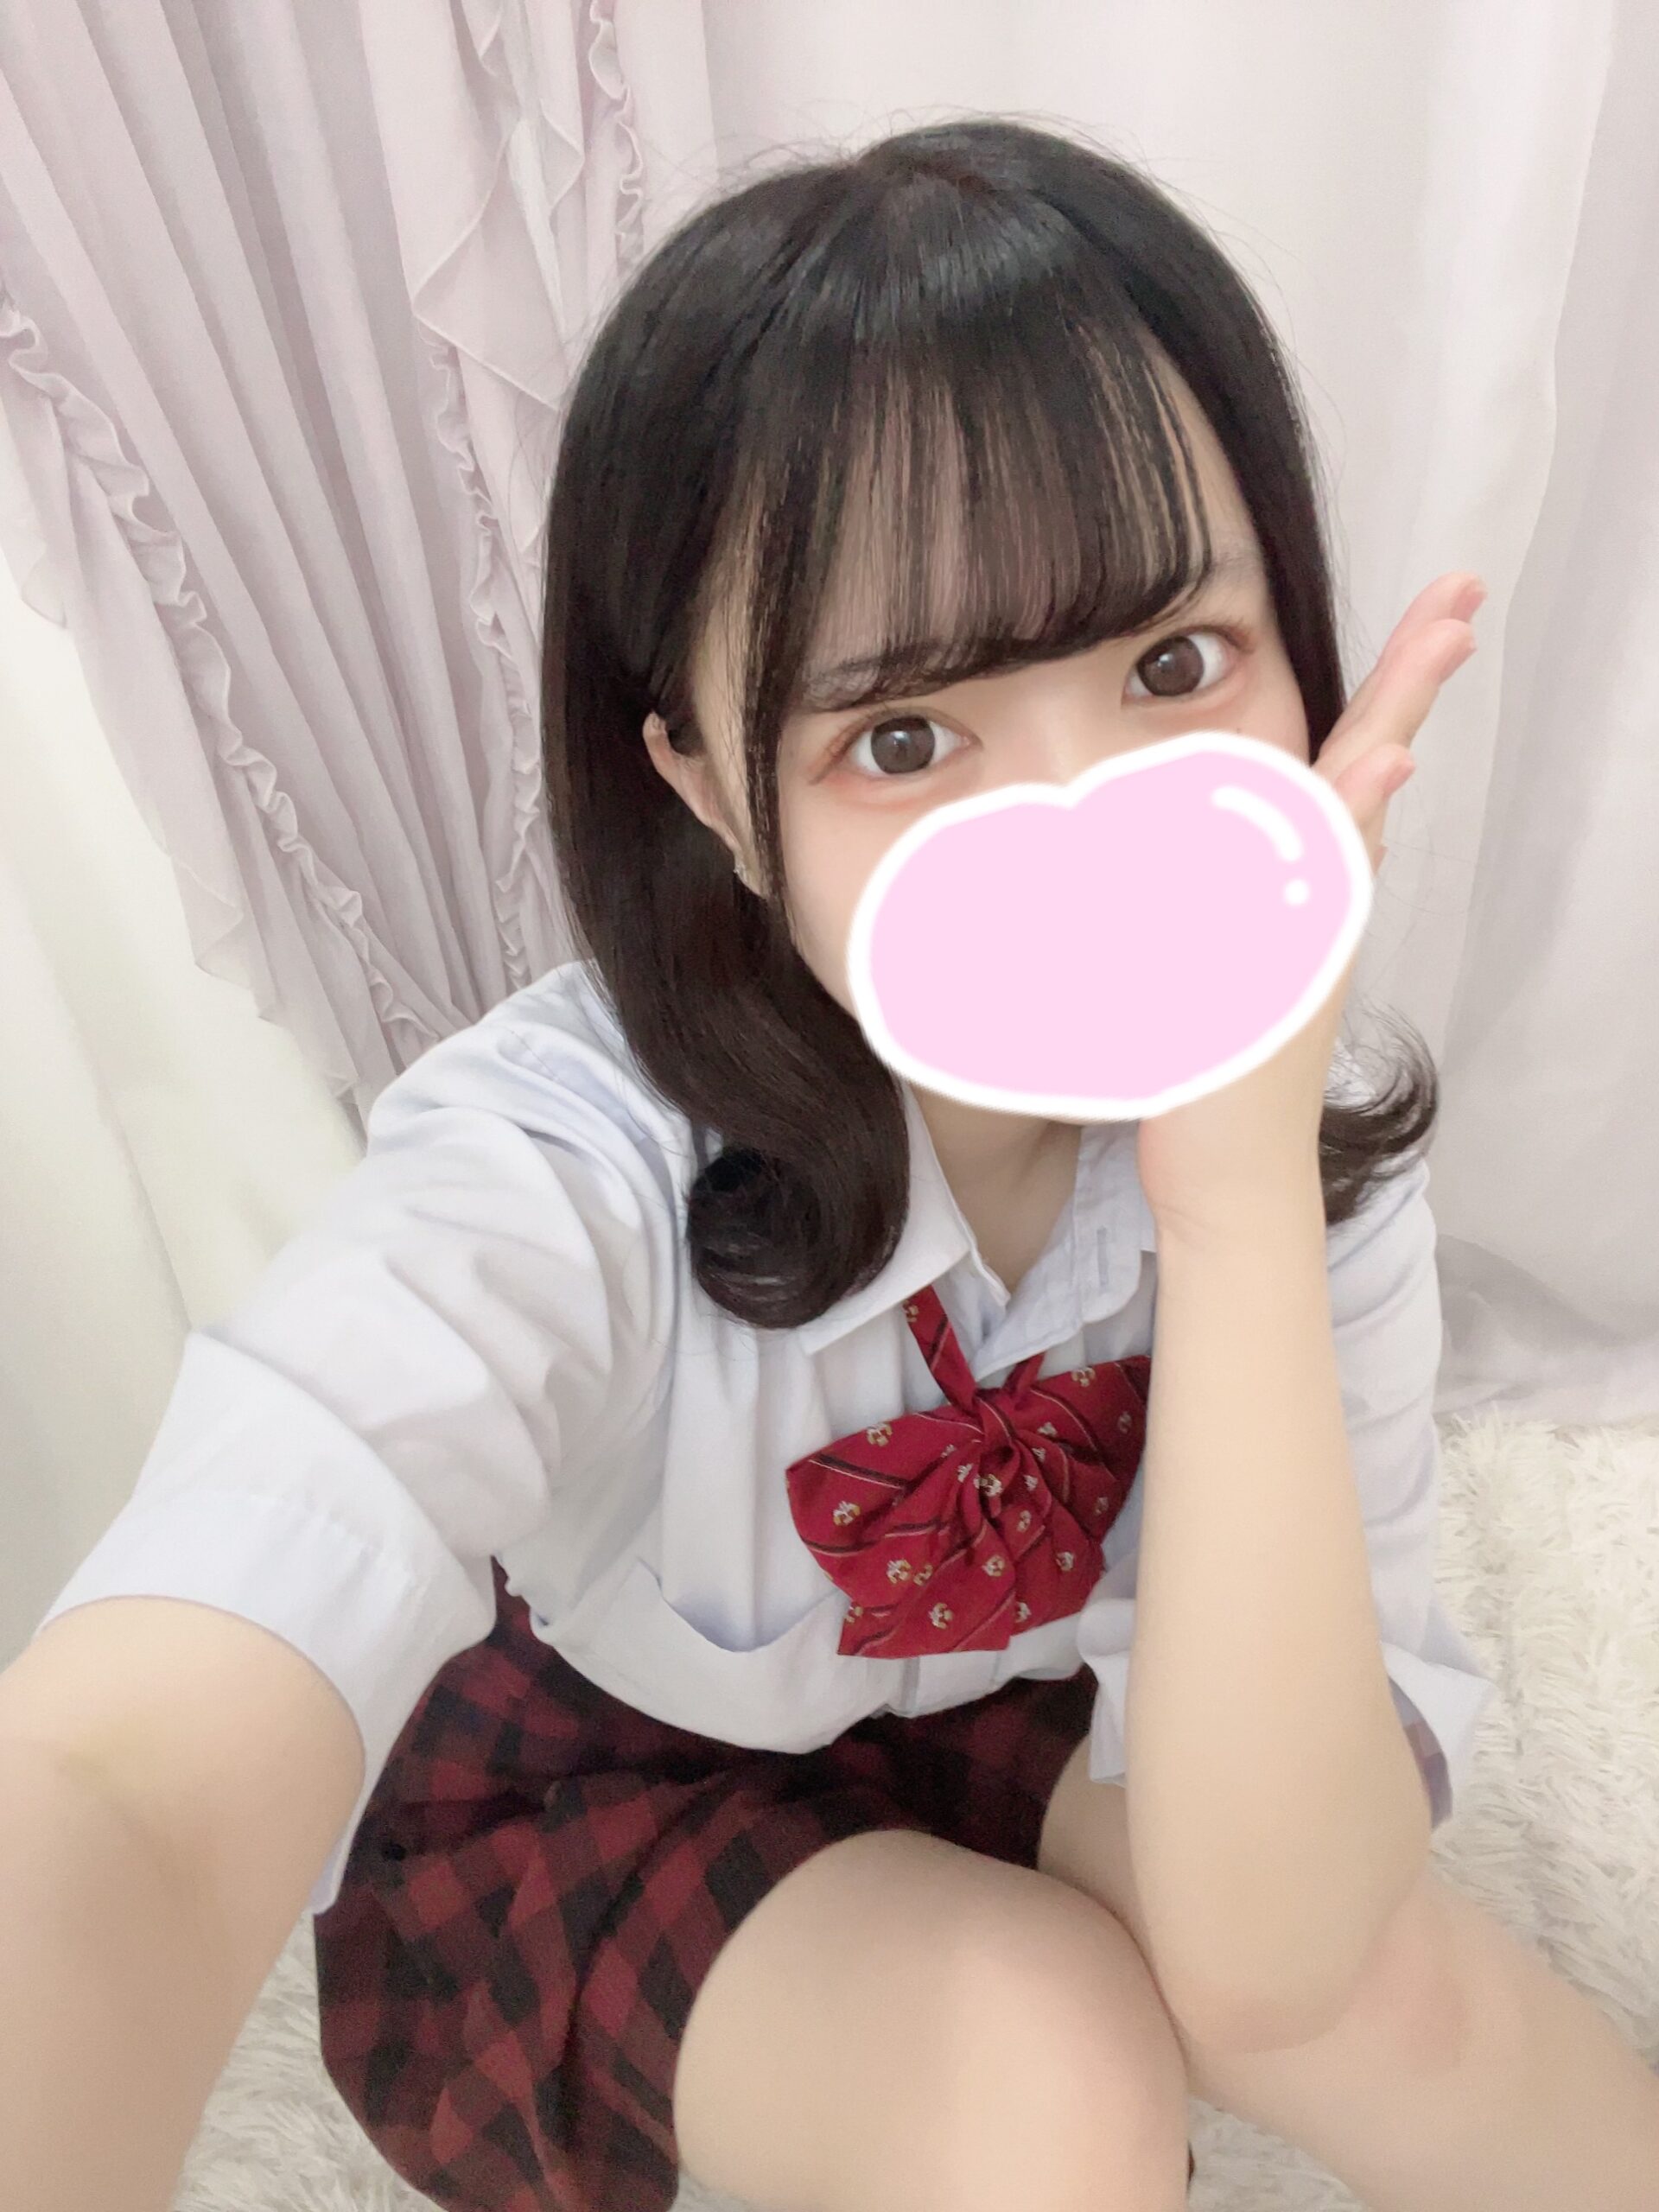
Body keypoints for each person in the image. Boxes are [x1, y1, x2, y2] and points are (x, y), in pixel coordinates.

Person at [7, 114, 1657, 2212]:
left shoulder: (1304, 1139)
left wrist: (1235, 1198)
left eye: (1173, 666)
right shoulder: (572, 1158)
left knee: (1391, 1986)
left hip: (1009, 1701)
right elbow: (130, 1769)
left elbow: (1294, 1949)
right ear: (703, 783)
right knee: (1049, 2072)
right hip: (596, 1777)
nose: (1082, 819)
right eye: (902, 739)